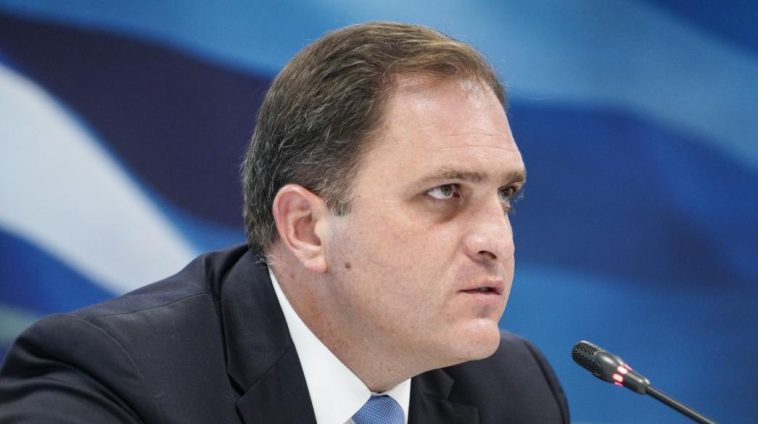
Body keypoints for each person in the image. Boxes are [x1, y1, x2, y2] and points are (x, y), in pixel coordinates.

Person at [0, 22, 569, 423]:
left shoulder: (513, 388)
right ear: (306, 228)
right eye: (444, 192)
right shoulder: (113, 382)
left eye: (506, 195)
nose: (496, 240)